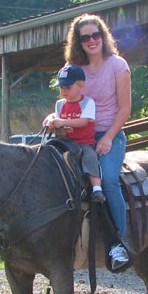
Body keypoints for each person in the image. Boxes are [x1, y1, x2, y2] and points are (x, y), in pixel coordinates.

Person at [65, 14, 132, 271]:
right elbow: (67, 99)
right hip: (77, 135)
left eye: (96, 35)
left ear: (103, 37)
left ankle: (119, 243)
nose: (92, 41)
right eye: (85, 37)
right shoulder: (74, 67)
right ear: (78, 42)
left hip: (109, 133)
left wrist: (107, 137)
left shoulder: (117, 65)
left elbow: (125, 109)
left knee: (109, 180)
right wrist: (56, 118)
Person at [43, 64, 106, 203]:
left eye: (68, 87)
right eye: (61, 87)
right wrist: (52, 125)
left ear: (81, 85)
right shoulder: (59, 104)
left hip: (83, 142)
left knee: (89, 157)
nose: (64, 91)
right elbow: (58, 123)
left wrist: (62, 121)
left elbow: (84, 121)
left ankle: (97, 189)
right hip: (65, 142)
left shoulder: (87, 102)